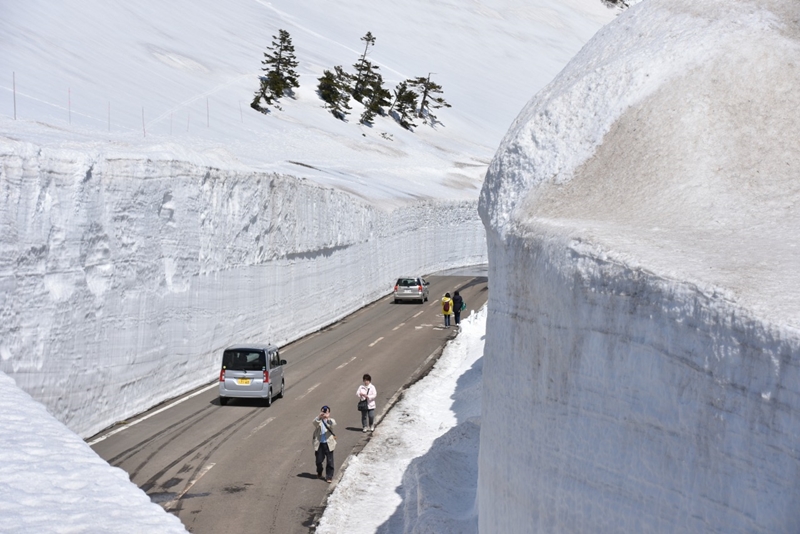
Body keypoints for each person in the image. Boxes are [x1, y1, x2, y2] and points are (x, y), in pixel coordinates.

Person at [312, 405, 337, 483]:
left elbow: (333, 424)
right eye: (323, 411)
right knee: (318, 461)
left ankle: (329, 476)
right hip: (319, 444)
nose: (325, 413)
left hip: (328, 443)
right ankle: (319, 471)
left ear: (329, 413)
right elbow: (314, 423)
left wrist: (327, 418)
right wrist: (319, 417)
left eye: (326, 411)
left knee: (330, 461)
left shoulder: (331, 420)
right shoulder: (318, 421)